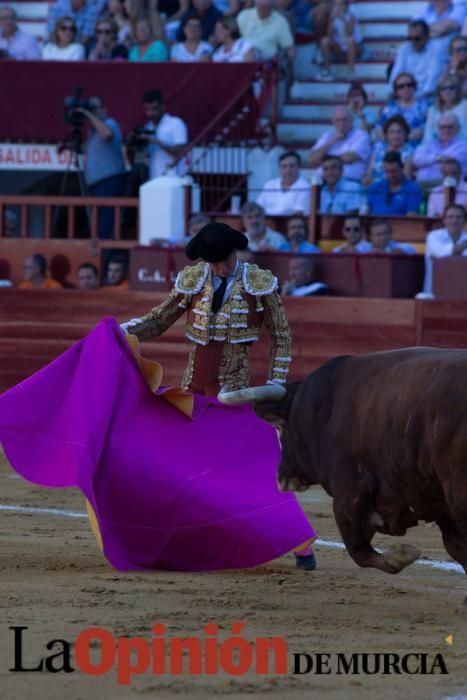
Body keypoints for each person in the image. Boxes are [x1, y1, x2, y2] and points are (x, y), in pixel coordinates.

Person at [79, 96, 127, 239]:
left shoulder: (110, 123)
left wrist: (88, 114)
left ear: (104, 109)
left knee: (106, 224)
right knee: (98, 224)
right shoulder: (92, 131)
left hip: (109, 181)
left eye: (95, 108)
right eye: (90, 109)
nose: (93, 112)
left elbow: (107, 135)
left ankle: (106, 257)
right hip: (96, 184)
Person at [308, 106, 371, 182]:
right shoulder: (327, 136)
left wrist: (323, 159)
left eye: (344, 120)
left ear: (351, 121)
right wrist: (332, 141)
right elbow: (312, 159)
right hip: (324, 180)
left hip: (350, 180)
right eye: (338, 120)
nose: (341, 123)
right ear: (333, 122)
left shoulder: (361, 135)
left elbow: (350, 158)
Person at [389, 20, 445, 99]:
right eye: (409, 38)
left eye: (417, 38)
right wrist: (391, 91)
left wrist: (420, 98)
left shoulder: (437, 49)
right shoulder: (404, 48)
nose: (412, 42)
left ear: (427, 36)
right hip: (406, 93)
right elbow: (397, 71)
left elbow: (433, 76)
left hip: (427, 96)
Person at [141, 89, 189, 179]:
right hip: (153, 180)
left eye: (154, 109)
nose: (150, 113)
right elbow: (145, 157)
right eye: (147, 109)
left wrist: (159, 142)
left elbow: (180, 153)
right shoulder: (147, 127)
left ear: (162, 107)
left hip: (175, 179)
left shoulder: (176, 123)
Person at [422, 203, 467, 295]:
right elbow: (441, 254)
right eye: (450, 217)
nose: (454, 221)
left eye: (458, 217)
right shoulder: (433, 236)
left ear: (464, 220)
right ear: (444, 220)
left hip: (463, 293)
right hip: (434, 292)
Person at [411, 113, 467, 184]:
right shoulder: (429, 143)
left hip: (447, 186)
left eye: (450, 127)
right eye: (442, 127)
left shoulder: (463, 146)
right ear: (438, 128)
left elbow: (450, 162)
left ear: (458, 128)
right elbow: (416, 159)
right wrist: (438, 158)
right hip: (421, 184)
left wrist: (426, 160)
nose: (446, 130)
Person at [376, 72, 429, 145]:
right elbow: (379, 127)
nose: (405, 88)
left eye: (409, 85)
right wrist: (389, 140)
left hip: (413, 145)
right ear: (396, 90)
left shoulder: (424, 106)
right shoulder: (390, 106)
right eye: (401, 86)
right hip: (389, 144)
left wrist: (401, 140)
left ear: (414, 87)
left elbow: (426, 129)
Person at [317, 0, 363, 81]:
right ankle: (327, 71)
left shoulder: (351, 17)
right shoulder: (333, 17)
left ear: (345, 6)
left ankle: (351, 72)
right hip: (339, 48)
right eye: (335, 5)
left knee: (349, 40)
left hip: (355, 48)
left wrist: (341, 19)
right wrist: (331, 20)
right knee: (324, 41)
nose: (337, 7)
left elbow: (349, 33)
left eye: (340, 5)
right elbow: (329, 35)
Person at [366, 152, 423, 217]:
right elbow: (366, 212)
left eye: (394, 171)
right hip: (374, 225)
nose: (390, 175)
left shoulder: (413, 189)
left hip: (400, 225)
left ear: (402, 169)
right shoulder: (375, 187)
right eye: (387, 171)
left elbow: (411, 217)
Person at [363, 115, 414, 186]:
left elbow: (406, 177)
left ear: (405, 134)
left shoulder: (409, 152)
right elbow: (369, 172)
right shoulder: (378, 148)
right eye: (392, 132)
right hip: (374, 187)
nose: (395, 135)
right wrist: (367, 180)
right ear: (386, 135)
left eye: (399, 132)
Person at [256, 151, 311, 216]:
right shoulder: (270, 184)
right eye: (284, 166)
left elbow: (298, 213)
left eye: (292, 166)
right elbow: (258, 208)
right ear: (279, 169)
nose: (288, 170)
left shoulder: (305, 187)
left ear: (299, 167)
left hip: (290, 224)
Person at [423, 75, 467, 142]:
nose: (447, 91)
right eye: (443, 89)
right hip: (436, 147)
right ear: (439, 92)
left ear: (457, 90)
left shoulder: (465, 106)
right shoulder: (432, 110)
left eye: (451, 88)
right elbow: (428, 135)